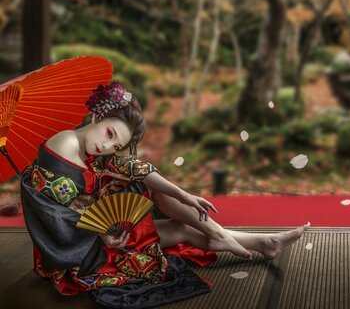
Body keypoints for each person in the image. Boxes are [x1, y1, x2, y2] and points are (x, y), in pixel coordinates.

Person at [20, 81, 309, 308]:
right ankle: (244, 239)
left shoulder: (90, 147)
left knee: (155, 193)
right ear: (98, 115)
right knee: (177, 225)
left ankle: (262, 242)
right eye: (109, 134)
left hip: (97, 235)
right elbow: (60, 212)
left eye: (115, 144)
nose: (107, 146)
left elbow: (134, 167)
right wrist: (102, 234)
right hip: (77, 249)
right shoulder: (67, 143)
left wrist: (185, 196)